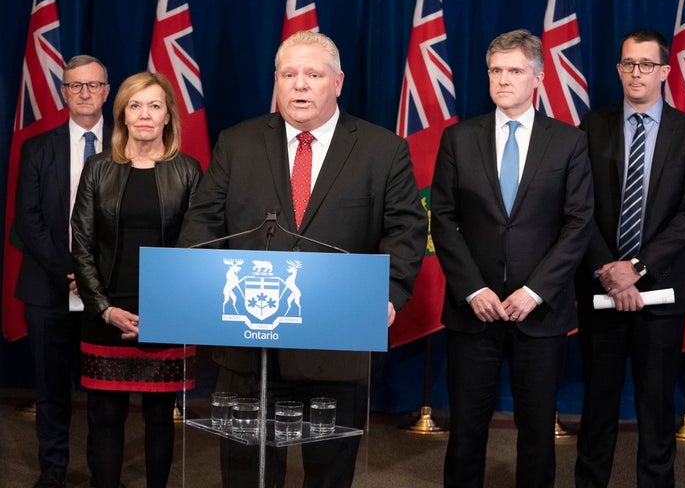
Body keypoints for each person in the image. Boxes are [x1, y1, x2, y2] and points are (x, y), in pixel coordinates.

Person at [176, 30, 427, 487]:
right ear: (276, 81)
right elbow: (203, 224)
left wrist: (385, 296)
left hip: (336, 342)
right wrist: (199, 285)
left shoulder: (382, 149)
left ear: (338, 82)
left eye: (313, 74)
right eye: (289, 74)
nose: (300, 85)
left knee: (329, 470)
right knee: (246, 470)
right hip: (248, 342)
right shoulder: (238, 142)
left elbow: (406, 232)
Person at [431, 29, 594, 487]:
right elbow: (443, 219)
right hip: (473, 310)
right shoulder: (458, 139)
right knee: (466, 428)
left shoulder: (567, 142)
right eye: (496, 70)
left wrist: (537, 290)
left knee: (538, 430)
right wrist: (472, 288)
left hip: (539, 313)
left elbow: (578, 224)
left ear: (538, 78)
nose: (504, 80)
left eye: (515, 71)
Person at [574, 29, 685, 488]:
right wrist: (609, 272)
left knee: (656, 410)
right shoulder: (592, 127)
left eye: (646, 64)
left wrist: (636, 269)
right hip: (600, 289)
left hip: (663, 293)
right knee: (598, 406)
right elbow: (579, 209)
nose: (637, 73)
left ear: (665, 72)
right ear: (618, 69)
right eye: (629, 63)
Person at [71, 71, 202, 488]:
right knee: (105, 418)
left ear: (168, 118)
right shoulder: (97, 169)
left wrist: (164, 311)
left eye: (155, 106)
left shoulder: (188, 170)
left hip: (166, 317)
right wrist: (106, 310)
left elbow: (196, 248)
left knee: (160, 420)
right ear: (123, 115)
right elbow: (82, 245)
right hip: (107, 314)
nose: (144, 115)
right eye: (135, 106)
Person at [13, 55, 111, 488]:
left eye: (93, 85)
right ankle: (52, 473)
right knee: (51, 391)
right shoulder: (37, 147)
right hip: (48, 288)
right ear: (63, 93)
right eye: (75, 86)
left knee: (105, 396)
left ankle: (102, 475)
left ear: (107, 91)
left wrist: (94, 277)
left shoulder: (128, 146)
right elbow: (27, 221)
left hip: (108, 293)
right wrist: (72, 272)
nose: (85, 93)